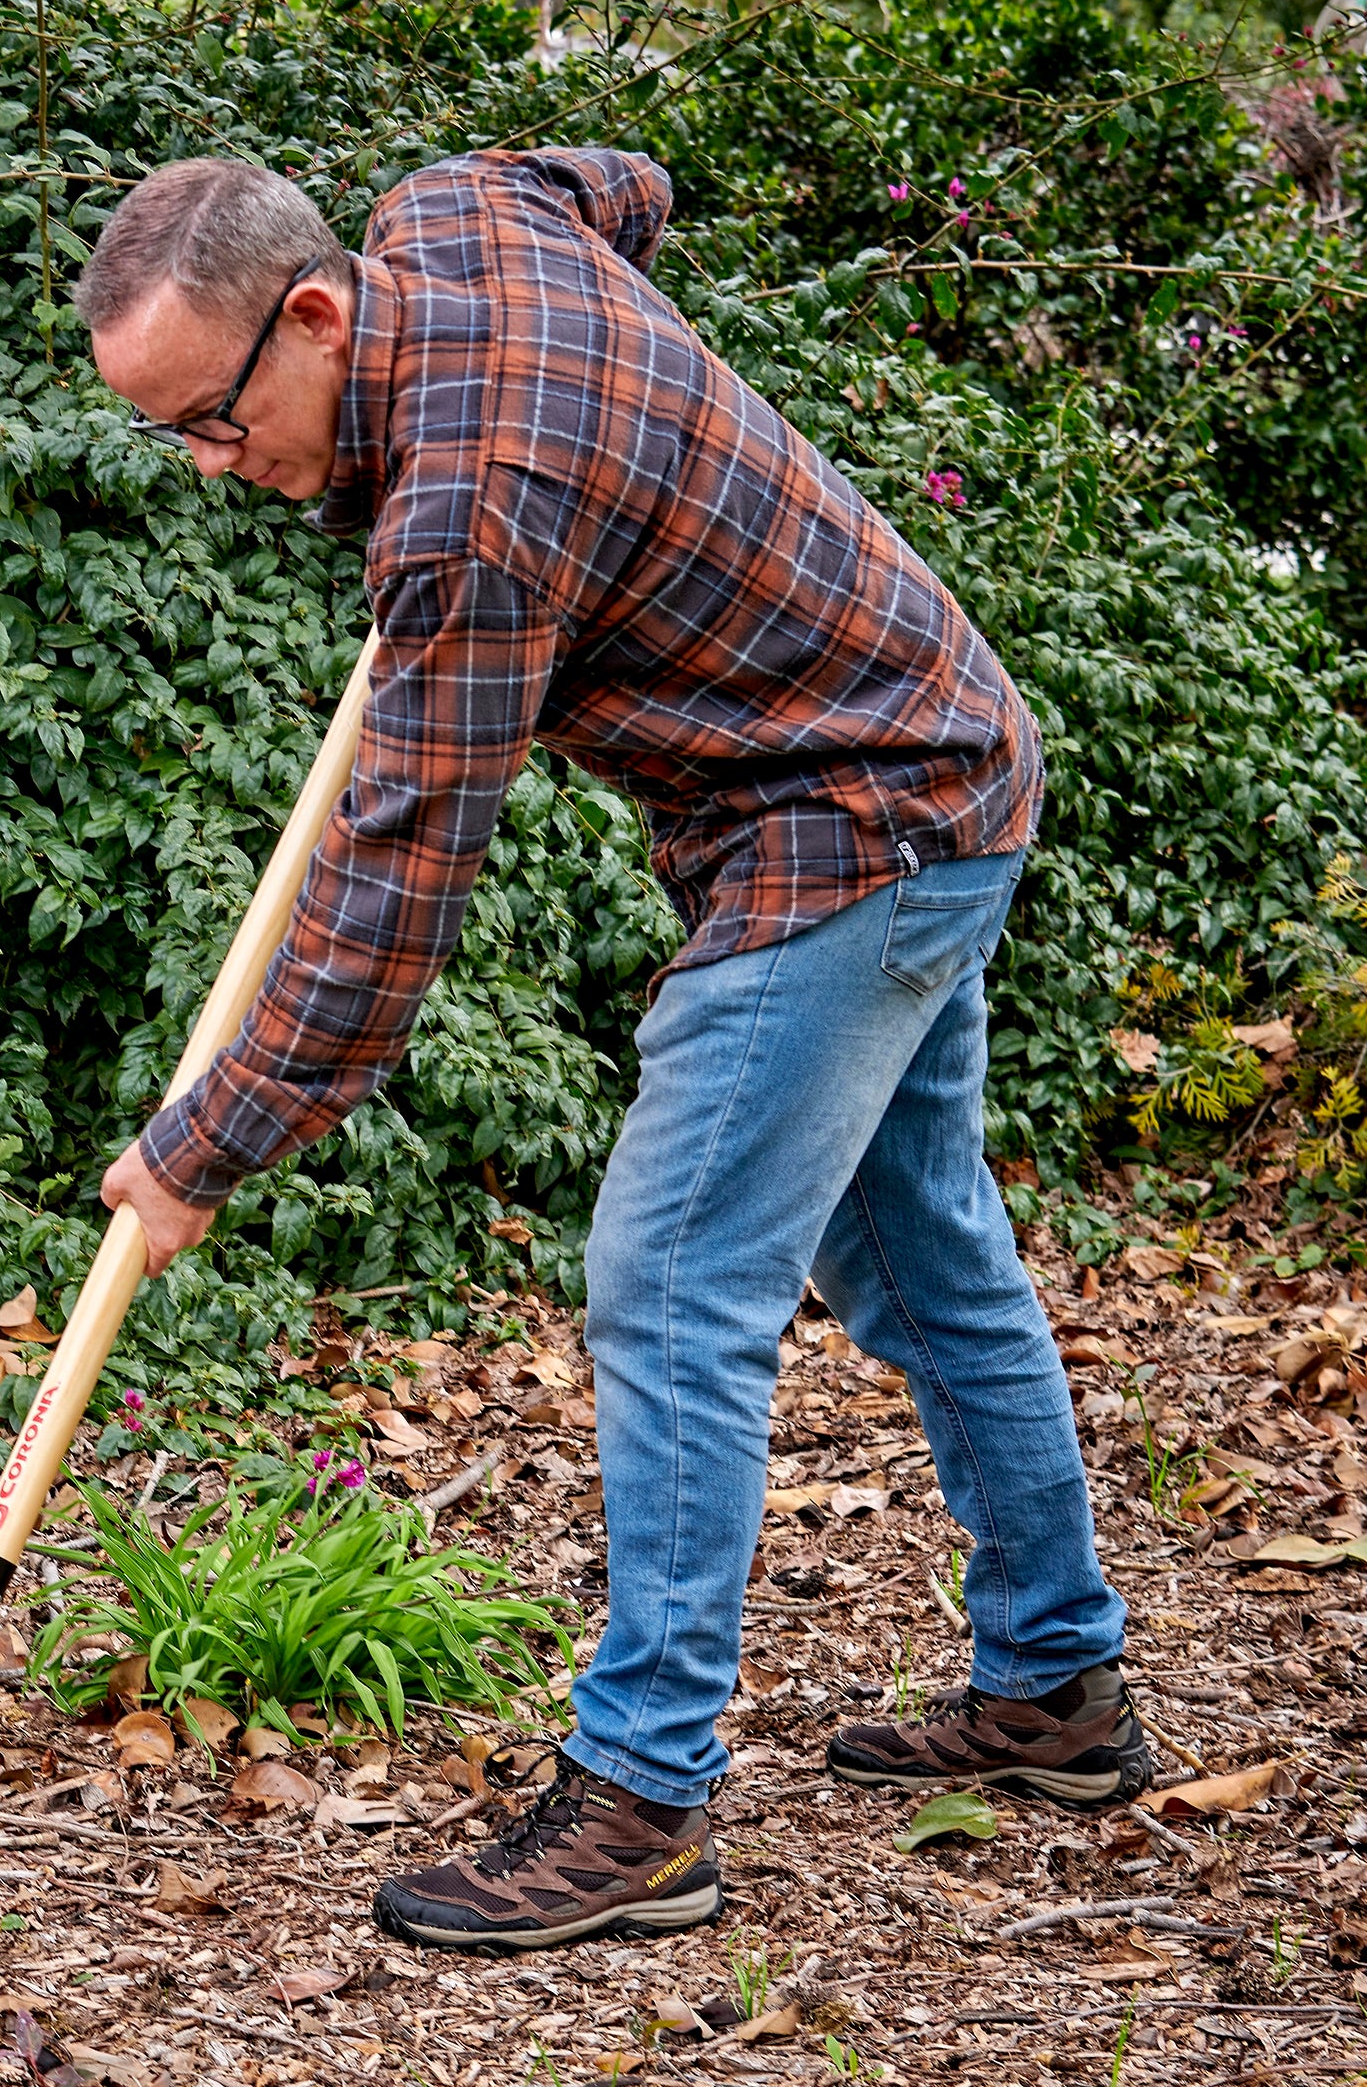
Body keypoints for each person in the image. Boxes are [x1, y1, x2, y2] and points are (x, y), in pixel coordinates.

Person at [75, 150, 1142, 1957]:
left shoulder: (471, 520)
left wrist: (203, 1146)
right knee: (919, 1256)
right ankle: (1056, 1684)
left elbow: (391, 903)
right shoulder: (453, 215)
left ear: (316, 314)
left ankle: (643, 1802)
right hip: (940, 756)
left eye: (213, 417)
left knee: (670, 1282)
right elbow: (624, 183)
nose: (212, 465)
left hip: (852, 818)